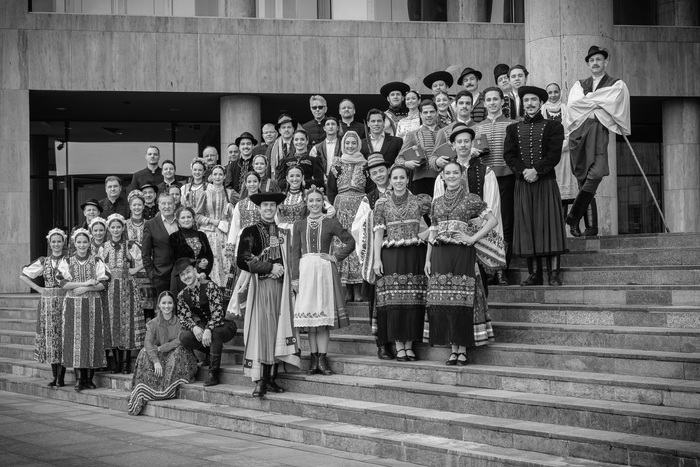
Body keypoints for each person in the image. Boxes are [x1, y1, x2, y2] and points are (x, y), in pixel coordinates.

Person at [425, 161, 497, 365]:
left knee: (462, 298)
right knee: (444, 300)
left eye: (455, 172)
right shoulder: (436, 202)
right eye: (447, 173)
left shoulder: (471, 199)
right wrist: (427, 258)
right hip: (439, 254)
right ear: (442, 176)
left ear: (461, 174)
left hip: (461, 252)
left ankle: (462, 348)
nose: (451, 176)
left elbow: (492, 220)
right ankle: (452, 348)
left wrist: (472, 239)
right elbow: (433, 230)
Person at [235, 192, 300, 397]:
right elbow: (242, 259)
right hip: (262, 286)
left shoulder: (284, 232)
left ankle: (272, 378)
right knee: (264, 330)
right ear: (259, 208)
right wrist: (269, 267)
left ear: (277, 208)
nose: (269, 208)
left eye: (272, 205)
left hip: (281, 287)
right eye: (265, 205)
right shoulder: (250, 231)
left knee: (277, 330)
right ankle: (261, 380)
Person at [504, 86, 567, 286]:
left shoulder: (554, 126)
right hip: (523, 183)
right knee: (527, 226)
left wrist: (536, 171)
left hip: (546, 182)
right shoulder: (512, 128)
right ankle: (534, 274)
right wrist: (524, 171)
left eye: (534, 100)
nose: (530, 104)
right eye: (526, 100)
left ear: (541, 103)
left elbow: (554, 154)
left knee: (550, 226)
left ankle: (554, 273)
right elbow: (510, 155)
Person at [565, 45, 631, 237]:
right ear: (588, 64)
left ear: (605, 62)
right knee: (583, 180)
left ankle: (573, 215)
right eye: (591, 60)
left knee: (597, 173)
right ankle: (589, 227)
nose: (595, 63)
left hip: (598, 131)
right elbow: (573, 106)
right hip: (579, 133)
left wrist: (588, 101)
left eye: (599, 59)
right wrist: (600, 101)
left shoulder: (616, 83)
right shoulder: (579, 84)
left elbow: (612, 102)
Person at [433, 123, 507, 288]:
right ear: (453, 145)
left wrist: (480, 225)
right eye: (459, 142)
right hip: (452, 233)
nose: (463, 145)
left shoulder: (485, 172)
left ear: (472, 143)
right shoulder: (443, 176)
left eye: (466, 141)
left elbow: (492, 202)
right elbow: (437, 206)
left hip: (479, 228)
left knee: (478, 279)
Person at [291, 187, 355, 375]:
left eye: (318, 200)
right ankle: (313, 359)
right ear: (306, 203)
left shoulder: (331, 222)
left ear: (323, 202)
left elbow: (350, 241)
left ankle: (322, 359)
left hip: (324, 271)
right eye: (311, 201)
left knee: (323, 320)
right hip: (306, 271)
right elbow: (295, 252)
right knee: (311, 320)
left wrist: (335, 257)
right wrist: (295, 278)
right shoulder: (299, 225)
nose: (314, 204)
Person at [373, 164, 431, 362]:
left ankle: (410, 345)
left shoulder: (421, 201)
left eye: (402, 178)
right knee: (395, 301)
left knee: (414, 299)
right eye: (395, 178)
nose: (398, 181)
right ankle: (399, 345)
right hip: (392, 254)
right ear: (390, 180)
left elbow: (439, 220)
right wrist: (376, 260)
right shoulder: (381, 204)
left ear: (408, 179)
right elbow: (378, 233)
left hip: (415, 252)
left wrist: (427, 234)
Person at [127, 291, 199, 416]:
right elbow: (148, 343)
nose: (167, 306)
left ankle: (165, 390)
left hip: (177, 356)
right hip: (160, 356)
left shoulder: (179, 322)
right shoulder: (153, 323)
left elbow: (178, 341)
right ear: (159, 305)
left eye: (170, 303)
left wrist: (160, 349)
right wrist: (156, 361)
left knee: (179, 351)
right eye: (164, 303)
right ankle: (144, 390)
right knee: (144, 352)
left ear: (173, 305)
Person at [350, 152, 393, 359]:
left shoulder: (400, 189)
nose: (378, 175)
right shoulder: (369, 199)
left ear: (388, 171)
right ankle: (382, 343)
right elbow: (358, 228)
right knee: (378, 300)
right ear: (370, 176)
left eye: (381, 170)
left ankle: (402, 340)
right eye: (374, 172)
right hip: (379, 254)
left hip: (400, 252)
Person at [474, 86, 518, 286]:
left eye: (495, 99)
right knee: (485, 222)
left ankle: (502, 269)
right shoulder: (476, 128)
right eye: (488, 99)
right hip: (483, 179)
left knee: (505, 223)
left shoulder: (513, 124)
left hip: (507, 177)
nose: (492, 103)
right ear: (484, 103)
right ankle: (487, 268)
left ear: (502, 101)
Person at [59, 228, 111, 391]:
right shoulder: (67, 261)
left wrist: (87, 289)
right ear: (74, 243)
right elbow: (63, 284)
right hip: (73, 305)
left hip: (92, 304)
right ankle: (79, 379)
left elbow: (104, 284)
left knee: (92, 338)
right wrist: (86, 283)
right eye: (79, 242)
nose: (82, 245)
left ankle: (89, 378)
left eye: (85, 242)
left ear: (89, 243)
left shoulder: (97, 260)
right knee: (76, 340)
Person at [176, 258, 238, 387]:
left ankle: (213, 373)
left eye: (188, 272)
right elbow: (183, 317)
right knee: (184, 337)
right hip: (204, 327)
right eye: (182, 274)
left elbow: (218, 312)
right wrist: (194, 328)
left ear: (195, 270)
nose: (186, 276)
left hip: (225, 325)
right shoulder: (182, 295)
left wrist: (208, 329)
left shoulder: (210, 286)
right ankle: (210, 353)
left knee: (214, 332)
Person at [20, 228, 68, 387]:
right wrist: (39, 289)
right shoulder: (44, 261)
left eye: (59, 241)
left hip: (65, 301)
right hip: (47, 303)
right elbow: (23, 275)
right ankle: (55, 375)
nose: (56, 244)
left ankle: (61, 376)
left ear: (64, 242)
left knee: (63, 337)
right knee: (51, 338)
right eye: (53, 242)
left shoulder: (68, 260)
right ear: (49, 243)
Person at [101, 213, 144, 374]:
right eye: (113, 227)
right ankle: (117, 363)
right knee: (113, 323)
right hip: (110, 288)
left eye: (119, 226)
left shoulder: (130, 245)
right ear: (109, 229)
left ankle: (125, 364)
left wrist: (133, 270)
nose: (116, 229)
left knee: (126, 323)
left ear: (123, 227)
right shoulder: (104, 247)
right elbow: (99, 267)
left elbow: (144, 259)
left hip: (127, 287)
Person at [327, 131, 367, 302]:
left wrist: (367, 206)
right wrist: (330, 208)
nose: (350, 146)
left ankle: (358, 289)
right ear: (343, 144)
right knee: (342, 244)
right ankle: (345, 289)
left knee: (358, 243)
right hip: (341, 207)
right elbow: (330, 188)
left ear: (358, 144)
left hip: (360, 207)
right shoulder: (337, 164)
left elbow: (371, 187)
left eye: (353, 143)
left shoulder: (365, 165)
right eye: (347, 143)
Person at [541, 83, 578, 220]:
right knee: (549, 191)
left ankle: (561, 226)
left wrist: (563, 144)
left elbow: (571, 129)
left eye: (555, 92)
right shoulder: (541, 111)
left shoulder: (566, 109)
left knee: (564, 195)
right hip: (548, 155)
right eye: (550, 92)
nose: (553, 95)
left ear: (560, 93)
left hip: (565, 155)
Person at [195, 165, 235, 288]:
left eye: (220, 174)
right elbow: (197, 216)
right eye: (215, 174)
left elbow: (237, 213)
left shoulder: (230, 193)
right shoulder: (205, 194)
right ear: (211, 177)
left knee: (226, 264)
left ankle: (225, 294)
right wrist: (212, 221)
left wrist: (231, 210)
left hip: (225, 234)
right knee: (210, 263)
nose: (217, 177)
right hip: (209, 234)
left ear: (224, 177)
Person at [397, 99, 441, 197]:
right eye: (425, 112)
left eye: (432, 112)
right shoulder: (412, 134)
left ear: (437, 113)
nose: (429, 115)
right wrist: (406, 163)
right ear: (420, 115)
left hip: (444, 178)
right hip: (421, 181)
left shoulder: (444, 132)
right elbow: (398, 159)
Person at [125, 190, 156, 323]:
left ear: (144, 206)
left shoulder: (150, 224)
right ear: (130, 206)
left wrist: (143, 265)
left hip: (147, 269)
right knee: (132, 305)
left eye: (139, 205)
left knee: (148, 306)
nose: (137, 207)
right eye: (134, 205)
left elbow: (155, 247)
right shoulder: (124, 225)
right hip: (130, 271)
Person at [169, 206, 214, 295]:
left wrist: (204, 269)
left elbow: (209, 256)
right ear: (178, 220)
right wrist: (196, 266)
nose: (186, 220)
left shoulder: (202, 235)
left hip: (201, 276)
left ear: (193, 219)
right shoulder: (174, 237)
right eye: (183, 217)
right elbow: (176, 260)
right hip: (183, 278)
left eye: (189, 217)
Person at [142, 193, 178, 295]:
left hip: (182, 273)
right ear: (159, 206)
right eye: (163, 203)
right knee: (165, 307)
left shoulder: (182, 221)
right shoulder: (150, 224)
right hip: (161, 275)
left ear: (175, 205)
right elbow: (145, 253)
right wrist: (152, 274)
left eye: (170, 203)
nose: (167, 206)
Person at [225, 131, 258, 197]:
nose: (245, 146)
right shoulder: (232, 165)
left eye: (248, 144)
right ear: (239, 147)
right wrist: (239, 199)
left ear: (253, 146)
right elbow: (228, 186)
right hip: (235, 202)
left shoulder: (258, 163)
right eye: (243, 144)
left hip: (255, 199)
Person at [267, 114, 297, 180]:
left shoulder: (298, 144)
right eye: (283, 127)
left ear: (293, 129)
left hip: (295, 181)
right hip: (277, 183)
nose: (286, 130)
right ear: (279, 130)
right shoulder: (272, 147)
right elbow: (268, 169)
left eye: (289, 127)